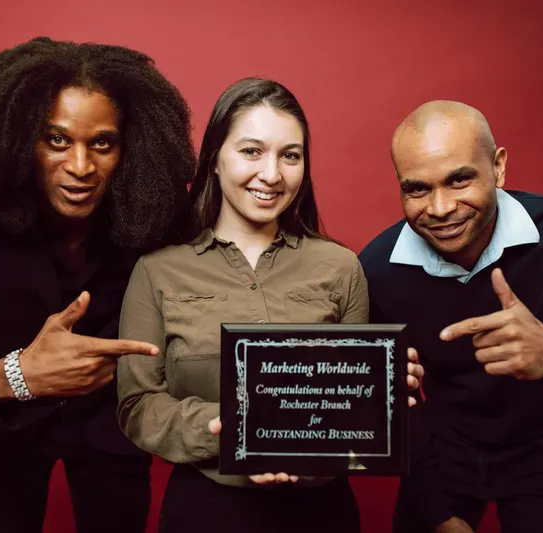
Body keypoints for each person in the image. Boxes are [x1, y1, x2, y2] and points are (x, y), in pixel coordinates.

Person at [0, 36, 196, 533]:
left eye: (102, 143)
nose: (80, 167)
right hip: (1, 429)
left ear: (130, 146)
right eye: (56, 140)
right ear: (18, 139)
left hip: (115, 428)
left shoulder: (160, 213)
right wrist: (21, 375)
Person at [115, 77, 424, 533]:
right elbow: (137, 404)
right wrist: (226, 426)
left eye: (290, 155)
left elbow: (355, 412)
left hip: (323, 512)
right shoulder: (158, 270)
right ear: (216, 159)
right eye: (252, 151)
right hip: (205, 511)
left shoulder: (341, 267)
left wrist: (386, 392)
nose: (273, 174)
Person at [359, 100, 543, 533]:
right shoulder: (378, 268)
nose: (439, 208)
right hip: (438, 460)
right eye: (417, 189)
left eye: (459, 179)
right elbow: (393, 403)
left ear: (498, 168)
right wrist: (436, 510)